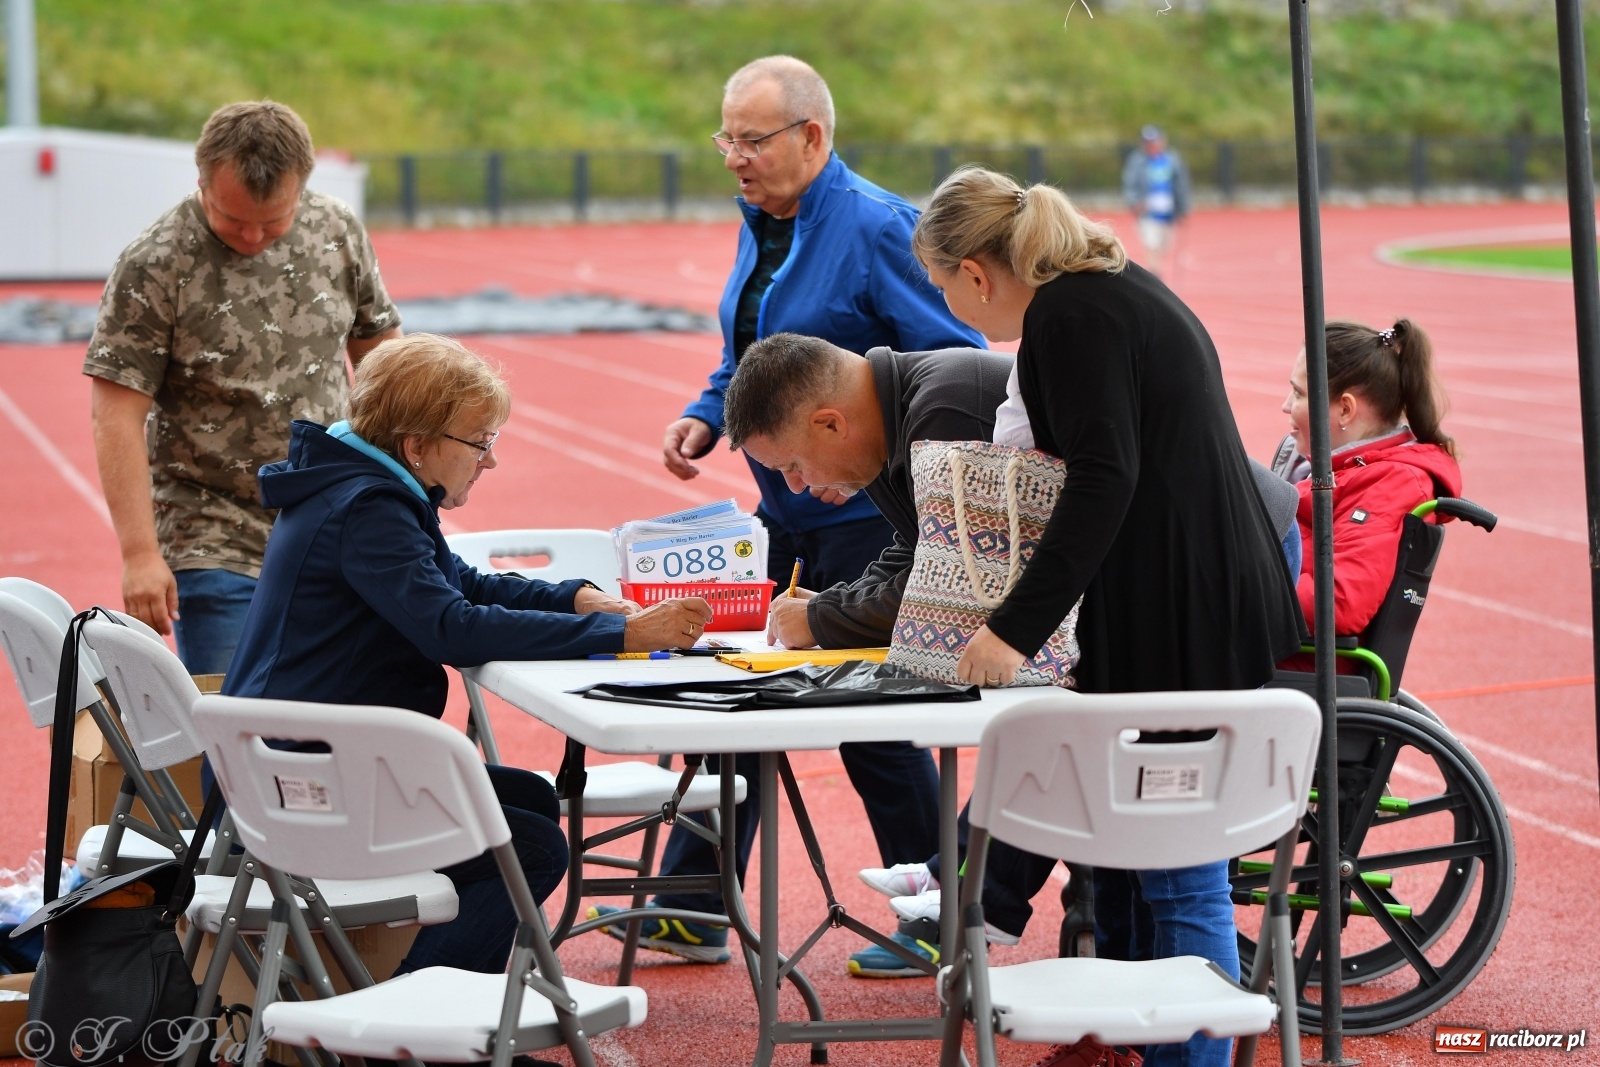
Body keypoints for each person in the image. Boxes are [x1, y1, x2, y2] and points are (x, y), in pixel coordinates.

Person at [909, 165, 1301, 1067]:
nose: (959, 314)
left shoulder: (1069, 313)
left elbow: (1103, 476)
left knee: (1178, 866)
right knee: (1126, 861)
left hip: (1182, 615)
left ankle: (1186, 1058)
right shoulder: (1107, 288)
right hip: (1186, 597)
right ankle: (1134, 1047)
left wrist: (1013, 626)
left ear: (976, 270)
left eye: (946, 290)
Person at [637, 55, 985, 963]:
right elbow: (751, 353)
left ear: (812, 137)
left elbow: (957, 364)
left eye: (750, 141)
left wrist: (912, 497)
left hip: (871, 518)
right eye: (725, 139)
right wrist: (708, 413)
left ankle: (937, 920)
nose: (733, 159)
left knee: (874, 723)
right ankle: (692, 901)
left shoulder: (878, 229)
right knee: (750, 689)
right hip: (789, 507)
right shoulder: (764, 221)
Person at [223, 333, 712, 979]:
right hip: (305, 786)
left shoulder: (362, 486)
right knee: (534, 846)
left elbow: (458, 583)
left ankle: (462, 1004)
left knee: (530, 798)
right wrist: (625, 637)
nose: (490, 462)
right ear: (417, 444)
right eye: (479, 442)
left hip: (299, 764)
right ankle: (416, 1027)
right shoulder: (367, 507)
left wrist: (578, 601)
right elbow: (451, 628)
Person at [84, 100, 402, 674]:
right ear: (201, 181)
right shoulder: (155, 263)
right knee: (241, 725)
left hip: (331, 517)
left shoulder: (336, 231)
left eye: (273, 221)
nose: (254, 236)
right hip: (212, 529)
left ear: (302, 188)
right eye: (232, 219)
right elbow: (116, 415)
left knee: (347, 709)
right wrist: (139, 554)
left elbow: (381, 354)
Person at [1272, 318, 1460, 642]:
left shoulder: (1392, 483)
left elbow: (1339, 605)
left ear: (1345, 409)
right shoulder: (1317, 466)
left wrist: (1239, 579)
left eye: (1298, 393)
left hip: (1293, 665)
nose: (1285, 405)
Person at [1120, 125, 1190, 280]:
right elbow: (1129, 183)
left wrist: (1183, 209)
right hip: (1147, 213)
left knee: (1163, 246)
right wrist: (1135, 203)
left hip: (1167, 212)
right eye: (1147, 143)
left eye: (1154, 142)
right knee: (1151, 244)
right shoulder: (1137, 161)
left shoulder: (1172, 159)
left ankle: (1155, 271)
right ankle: (1155, 275)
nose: (1151, 146)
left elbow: (1181, 184)